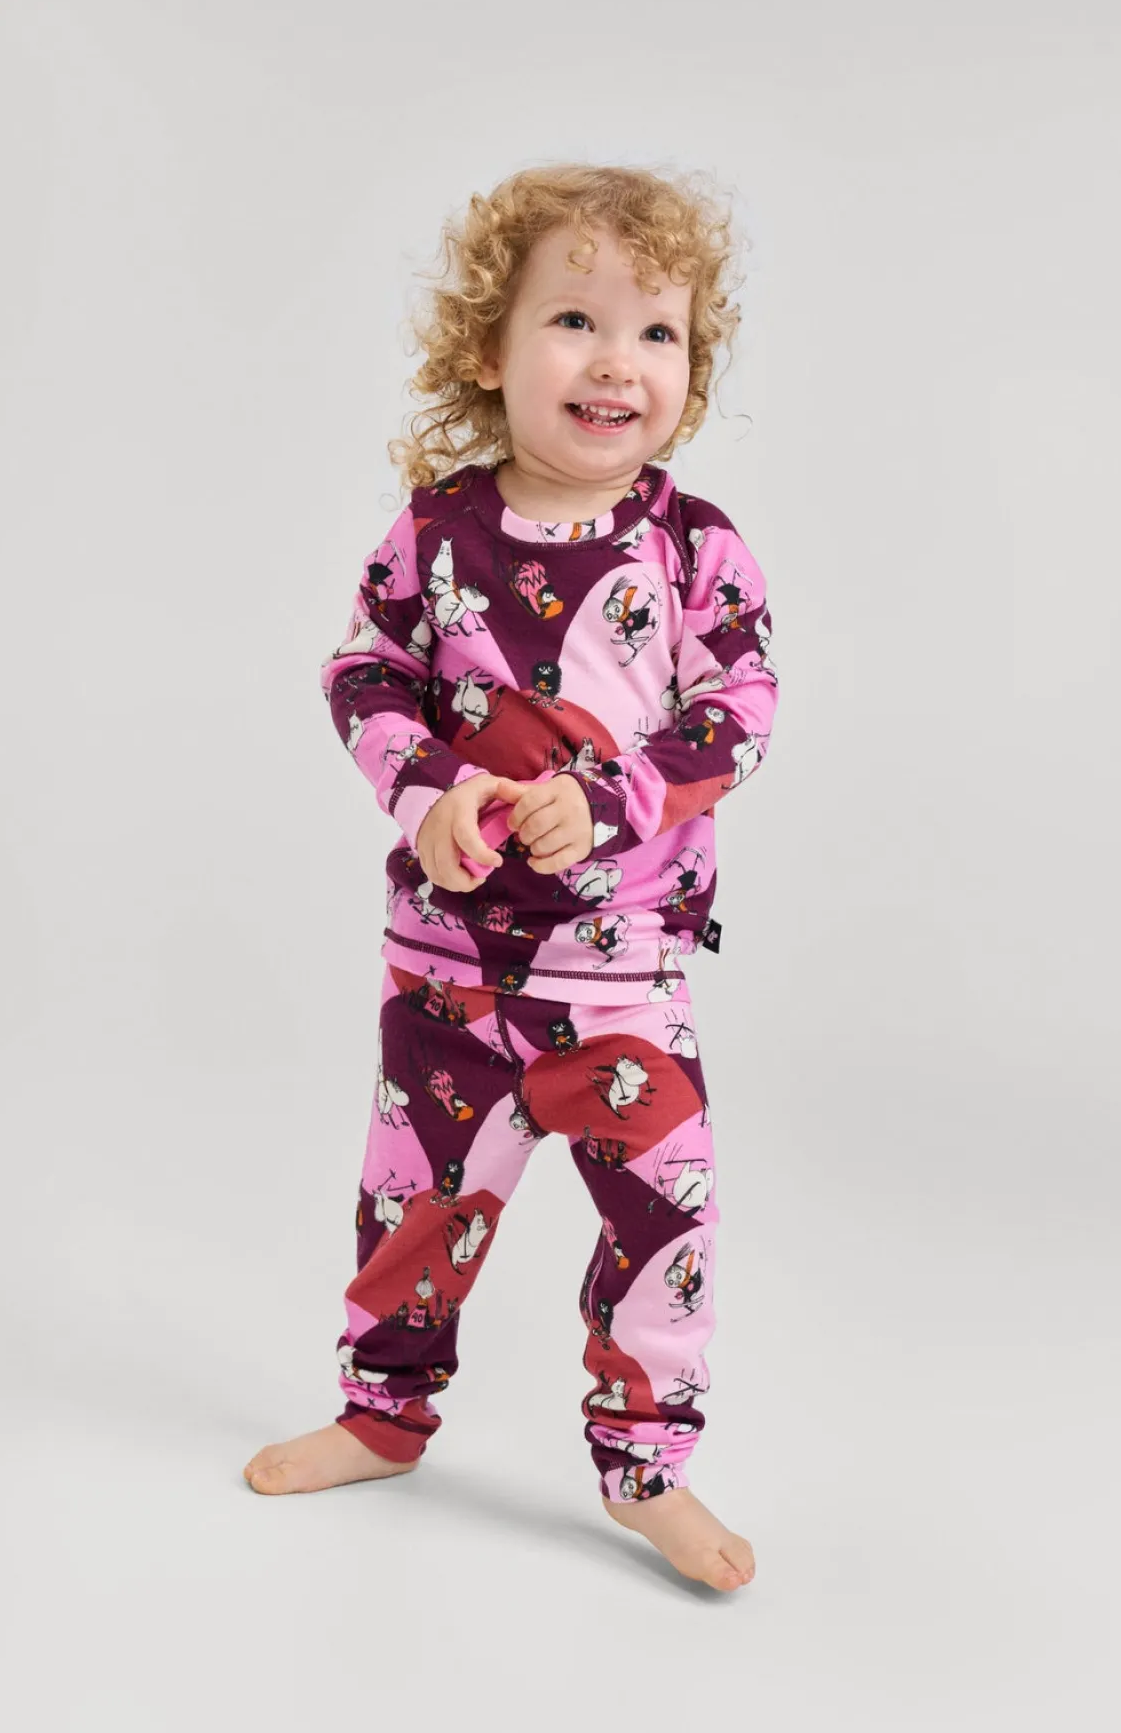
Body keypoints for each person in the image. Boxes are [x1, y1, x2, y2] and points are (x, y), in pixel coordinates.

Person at [243, 163, 780, 1592]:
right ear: (491, 349)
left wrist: (608, 799)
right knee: (412, 1207)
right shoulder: (434, 533)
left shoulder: (694, 547)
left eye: (656, 333)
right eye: (575, 320)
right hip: (448, 978)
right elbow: (363, 671)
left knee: (668, 1218)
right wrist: (426, 790)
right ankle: (381, 1414)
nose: (617, 361)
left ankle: (648, 1464)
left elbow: (740, 710)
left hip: (623, 984)